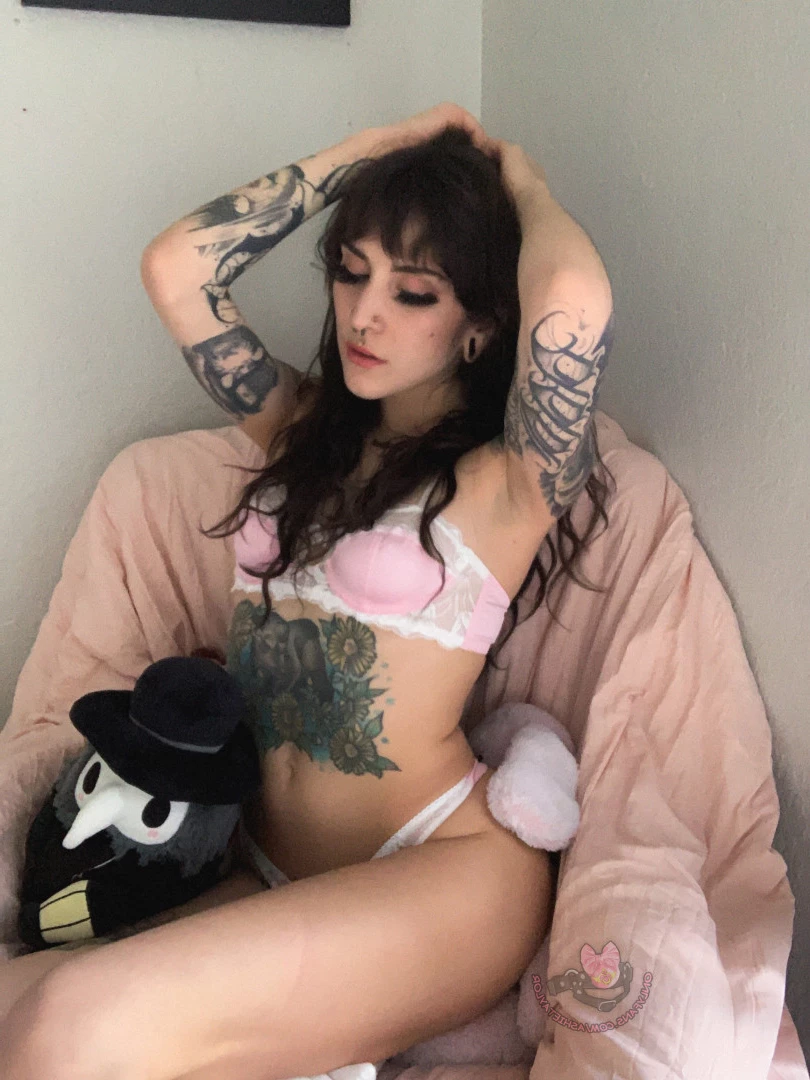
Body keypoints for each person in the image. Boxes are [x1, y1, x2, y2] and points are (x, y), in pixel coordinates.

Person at [0, 102, 615, 1080]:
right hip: (263, 861)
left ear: (479, 327)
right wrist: (375, 153)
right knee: (15, 1003)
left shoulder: (508, 485)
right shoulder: (299, 430)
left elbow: (572, 302)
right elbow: (177, 269)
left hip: (444, 869)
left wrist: (521, 182)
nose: (365, 313)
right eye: (350, 271)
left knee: (68, 1027)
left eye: (414, 292)